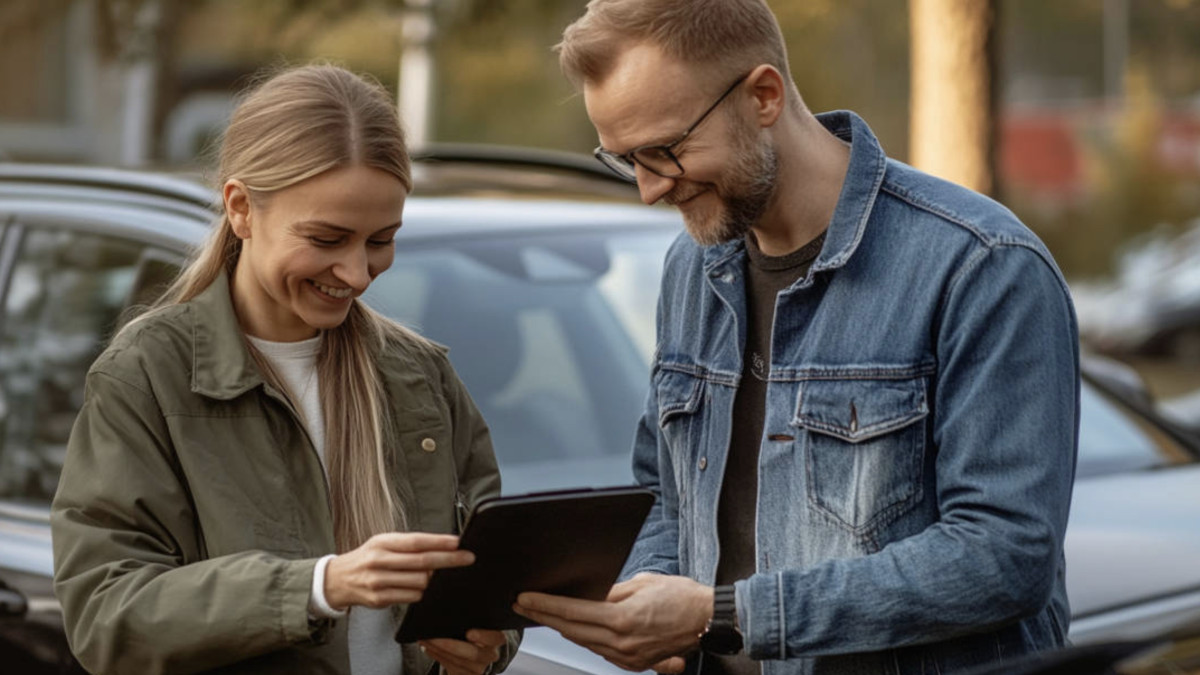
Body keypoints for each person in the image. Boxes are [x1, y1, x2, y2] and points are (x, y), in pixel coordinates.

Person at [513, 2, 1079, 674]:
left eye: (665, 150)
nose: (647, 190)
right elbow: (664, 491)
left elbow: (1003, 556)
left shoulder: (981, 264)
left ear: (763, 96)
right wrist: (649, 607)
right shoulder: (692, 265)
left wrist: (719, 615)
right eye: (626, 159)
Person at [50, 64, 518, 675]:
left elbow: (490, 574)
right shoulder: (146, 376)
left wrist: (488, 645)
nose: (356, 273)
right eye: (327, 239)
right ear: (241, 209)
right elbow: (107, 614)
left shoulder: (420, 376)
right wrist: (320, 586)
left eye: (381, 240)